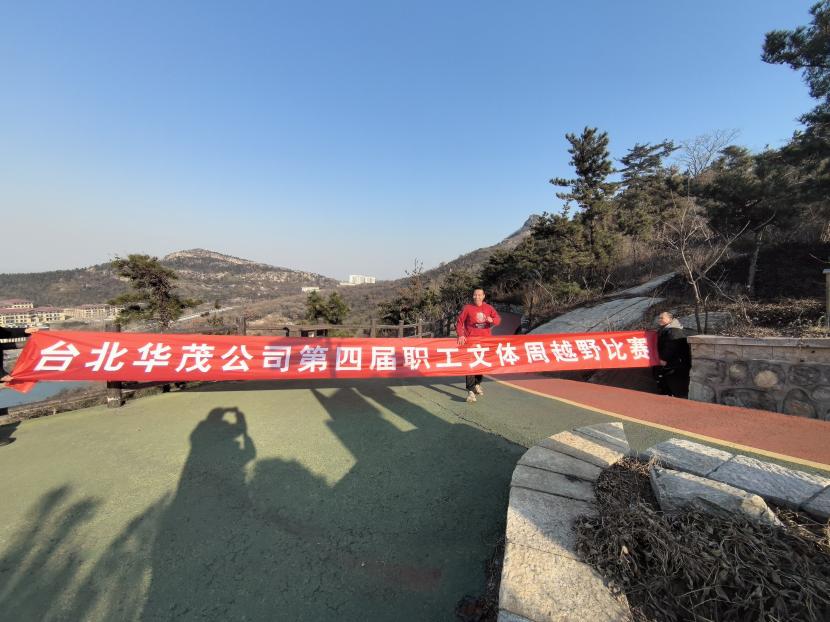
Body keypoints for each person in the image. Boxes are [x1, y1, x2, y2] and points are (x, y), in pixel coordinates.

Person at [456, 288, 501, 403]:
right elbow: (459, 322)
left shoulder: (489, 308)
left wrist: (492, 320)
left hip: (485, 342)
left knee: (481, 364)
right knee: (470, 365)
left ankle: (477, 384)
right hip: (470, 342)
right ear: (473, 296)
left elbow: (498, 320)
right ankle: (470, 391)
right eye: (475, 295)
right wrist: (461, 335)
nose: (477, 297)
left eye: (479, 295)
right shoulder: (467, 308)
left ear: (484, 296)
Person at [654, 311, 690, 398]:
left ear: (670, 319)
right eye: (659, 318)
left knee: (674, 385)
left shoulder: (674, 331)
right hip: (672, 363)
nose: (659, 320)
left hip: (675, 364)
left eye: (662, 318)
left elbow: (671, 346)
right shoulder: (666, 329)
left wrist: (663, 359)